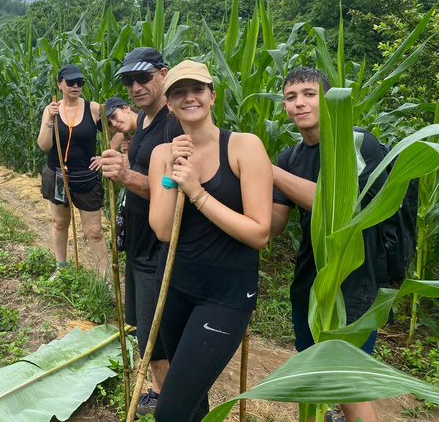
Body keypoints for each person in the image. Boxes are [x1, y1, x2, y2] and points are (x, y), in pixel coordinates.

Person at [147, 60, 272, 422]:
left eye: (197, 89)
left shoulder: (243, 147)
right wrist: (173, 175)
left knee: (169, 412)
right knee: (192, 405)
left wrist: (197, 193)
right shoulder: (162, 155)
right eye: (178, 92)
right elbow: (163, 231)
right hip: (172, 287)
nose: (189, 98)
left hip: (225, 296)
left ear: (212, 96)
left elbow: (259, 232)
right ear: (168, 103)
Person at [271, 67, 385, 422]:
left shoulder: (357, 143)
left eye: (308, 93)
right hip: (309, 283)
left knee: (347, 381)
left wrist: (269, 169)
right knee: (319, 374)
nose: (299, 103)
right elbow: (274, 225)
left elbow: (335, 205)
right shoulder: (290, 157)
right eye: (291, 97)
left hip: (353, 282)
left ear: (328, 98)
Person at [100, 47, 180, 415]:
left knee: (155, 331)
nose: (135, 86)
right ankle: (158, 387)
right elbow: (143, 169)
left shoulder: (173, 123)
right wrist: (124, 161)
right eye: (129, 81)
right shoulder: (146, 122)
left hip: (156, 248)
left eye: (143, 77)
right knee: (142, 325)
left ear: (163, 74)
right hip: (138, 242)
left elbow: (173, 191)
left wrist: (126, 175)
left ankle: (167, 396)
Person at [38, 64, 109, 275]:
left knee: (94, 231)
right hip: (58, 175)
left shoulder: (93, 108)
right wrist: (50, 119)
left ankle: (102, 280)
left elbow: (118, 129)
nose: (76, 86)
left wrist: (106, 156)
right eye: (70, 82)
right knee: (60, 224)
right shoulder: (51, 109)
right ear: (60, 84)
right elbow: (44, 145)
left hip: (86, 178)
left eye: (80, 82)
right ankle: (61, 268)